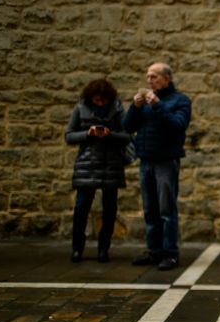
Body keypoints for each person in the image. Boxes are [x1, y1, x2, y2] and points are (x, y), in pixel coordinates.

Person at [123, 62, 191, 271]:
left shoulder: (180, 100)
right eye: (148, 77)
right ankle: (154, 252)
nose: (149, 81)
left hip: (166, 161)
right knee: (150, 209)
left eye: (154, 77)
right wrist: (135, 107)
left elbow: (177, 125)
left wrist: (157, 105)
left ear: (166, 79)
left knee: (166, 209)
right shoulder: (144, 103)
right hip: (146, 160)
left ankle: (170, 254)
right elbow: (127, 127)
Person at [65, 78, 132, 263]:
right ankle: (77, 248)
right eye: (97, 100)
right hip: (87, 164)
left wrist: (110, 135)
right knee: (81, 209)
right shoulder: (80, 108)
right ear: (91, 97)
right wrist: (88, 133)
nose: (100, 103)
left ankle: (104, 248)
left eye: (103, 100)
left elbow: (127, 136)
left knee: (110, 209)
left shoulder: (117, 109)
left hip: (111, 164)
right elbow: (69, 136)